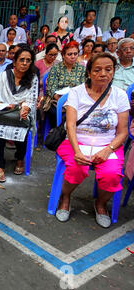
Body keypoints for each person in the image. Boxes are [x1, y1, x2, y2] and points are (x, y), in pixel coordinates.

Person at [55, 53, 129, 228]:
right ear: (89, 72)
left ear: (113, 72)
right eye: (98, 70)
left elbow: (123, 132)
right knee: (77, 166)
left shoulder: (120, 95)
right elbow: (70, 126)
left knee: (111, 174)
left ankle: (101, 204)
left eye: (108, 69)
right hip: (76, 142)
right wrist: (77, 151)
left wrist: (108, 149)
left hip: (107, 144)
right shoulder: (77, 93)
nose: (103, 73)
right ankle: (65, 197)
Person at [0, 47, 38, 182]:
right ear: (15, 62)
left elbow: (31, 99)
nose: (24, 63)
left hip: (21, 112)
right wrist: (5, 104)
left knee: (22, 127)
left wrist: (24, 108)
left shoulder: (33, 78)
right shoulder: (4, 76)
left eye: (28, 60)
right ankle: (0, 166)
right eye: (22, 60)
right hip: (3, 112)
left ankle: (20, 158)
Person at [44, 41, 86, 128]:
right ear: (63, 55)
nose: (73, 57)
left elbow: (84, 87)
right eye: (69, 54)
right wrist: (58, 97)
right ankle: (59, 134)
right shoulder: (56, 68)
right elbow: (51, 87)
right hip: (57, 99)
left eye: (75, 54)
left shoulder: (82, 69)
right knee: (55, 112)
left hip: (77, 99)